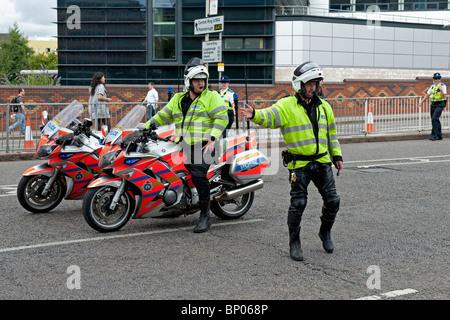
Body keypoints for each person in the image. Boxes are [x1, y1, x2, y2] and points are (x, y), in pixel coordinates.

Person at [240, 61, 343, 261]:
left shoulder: (325, 107)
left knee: (333, 201)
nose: (313, 88)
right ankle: (294, 242)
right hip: (299, 165)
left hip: (322, 162)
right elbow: (270, 116)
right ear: (299, 84)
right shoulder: (287, 105)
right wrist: (255, 115)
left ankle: (325, 233)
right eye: (309, 84)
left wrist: (336, 155)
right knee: (298, 204)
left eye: (315, 83)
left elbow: (332, 134)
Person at [145, 57, 228, 233]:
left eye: (203, 80)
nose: (201, 83)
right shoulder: (178, 99)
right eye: (197, 80)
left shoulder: (211, 97)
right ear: (188, 81)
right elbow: (162, 116)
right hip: (183, 144)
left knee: (198, 173)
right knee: (163, 166)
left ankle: (205, 215)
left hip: (206, 145)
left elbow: (222, 117)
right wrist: (145, 127)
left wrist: (213, 138)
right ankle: (181, 198)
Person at [419, 72, 447, 141]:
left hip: (440, 103)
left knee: (434, 118)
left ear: (440, 79)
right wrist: (421, 102)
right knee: (435, 119)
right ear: (434, 79)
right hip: (433, 104)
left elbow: (444, 97)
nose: (437, 80)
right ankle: (439, 135)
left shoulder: (443, 86)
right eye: (436, 78)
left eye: (439, 78)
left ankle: (434, 135)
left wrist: (440, 90)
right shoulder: (432, 86)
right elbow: (427, 94)